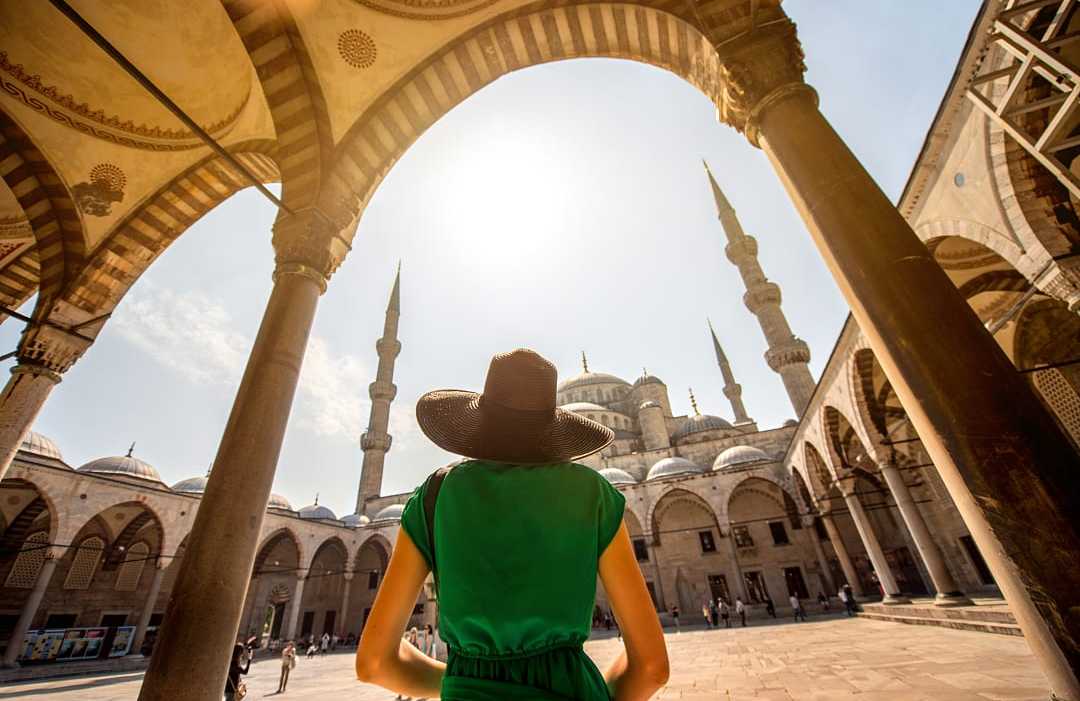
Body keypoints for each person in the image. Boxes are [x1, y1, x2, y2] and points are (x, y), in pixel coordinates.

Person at [356, 349, 669, 700]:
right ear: (550, 425)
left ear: (480, 420)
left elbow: (374, 662)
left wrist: (471, 685)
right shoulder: (592, 493)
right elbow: (652, 667)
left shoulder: (434, 496)